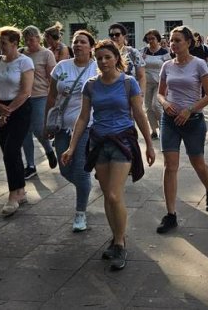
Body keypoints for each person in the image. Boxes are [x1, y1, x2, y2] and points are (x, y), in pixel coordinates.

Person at [61, 39, 156, 271]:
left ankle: (121, 243)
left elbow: (139, 114)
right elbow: (83, 117)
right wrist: (72, 147)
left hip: (123, 142)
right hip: (99, 142)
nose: (103, 62)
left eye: (108, 57)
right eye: (99, 58)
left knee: (114, 195)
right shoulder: (91, 85)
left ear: (116, 58)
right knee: (107, 195)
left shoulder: (128, 83)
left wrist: (149, 144)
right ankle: (115, 238)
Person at [155, 26, 208, 234]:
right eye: (171, 40)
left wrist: (189, 110)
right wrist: (165, 104)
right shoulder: (166, 66)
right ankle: (171, 214)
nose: (172, 44)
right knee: (170, 166)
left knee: (197, 163)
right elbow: (160, 94)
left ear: (188, 43)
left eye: (177, 40)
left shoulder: (199, 64)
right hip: (170, 121)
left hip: (193, 121)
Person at [46, 30, 97, 232]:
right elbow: (51, 96)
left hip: (87, 126)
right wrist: (46, 123)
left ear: (91, 47)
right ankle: (85, 187)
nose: (78, 45)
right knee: (64, 169)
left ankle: (80, 213)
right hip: (62, 126)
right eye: (75, 42)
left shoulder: (96, 67)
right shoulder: (61, 67)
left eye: (83, 42)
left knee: (80, 171)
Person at [0, 26, 35, 216]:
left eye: (4, 43)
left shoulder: (25, 62)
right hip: (1, 107)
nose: (0, 46)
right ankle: (20, 190)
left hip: (19, 109)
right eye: (0, 42)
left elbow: (25, 91)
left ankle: (13, 195)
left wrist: (7, 112)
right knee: (9, 152)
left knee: (10, 151)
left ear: (15, 43)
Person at [21, 25, 57, 179]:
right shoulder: (21, 54)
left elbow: (52, 78)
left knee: (38, 128)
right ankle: (30, 165)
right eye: (26, 40)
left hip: (41, 95)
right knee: (24, 131)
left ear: (38, 38)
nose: (28, 43)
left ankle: (48, 149)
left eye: (31, 40)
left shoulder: (46, 54)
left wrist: (54, 98)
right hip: (23, 97)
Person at [141, 29, 169, 140]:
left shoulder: (164, 52)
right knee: (148, 108)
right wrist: (141, 59)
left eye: (153, 38)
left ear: (158, 39)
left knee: (156, 105)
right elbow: (137, 64)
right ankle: (153, 130)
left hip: (159, 83)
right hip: (147, 83)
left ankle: (163, 128)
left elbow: (169, 67)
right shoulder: (143, 51)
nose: (150, 41)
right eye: (148, 39)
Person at [108, 23, 146, 92]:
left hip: (131, 92)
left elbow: (141, 76)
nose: (114, 37)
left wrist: (142, 94)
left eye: (117, 34)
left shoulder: (133, 52)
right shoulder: (106, 53)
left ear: (124, 36)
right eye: (111, 35)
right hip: (112, 91)